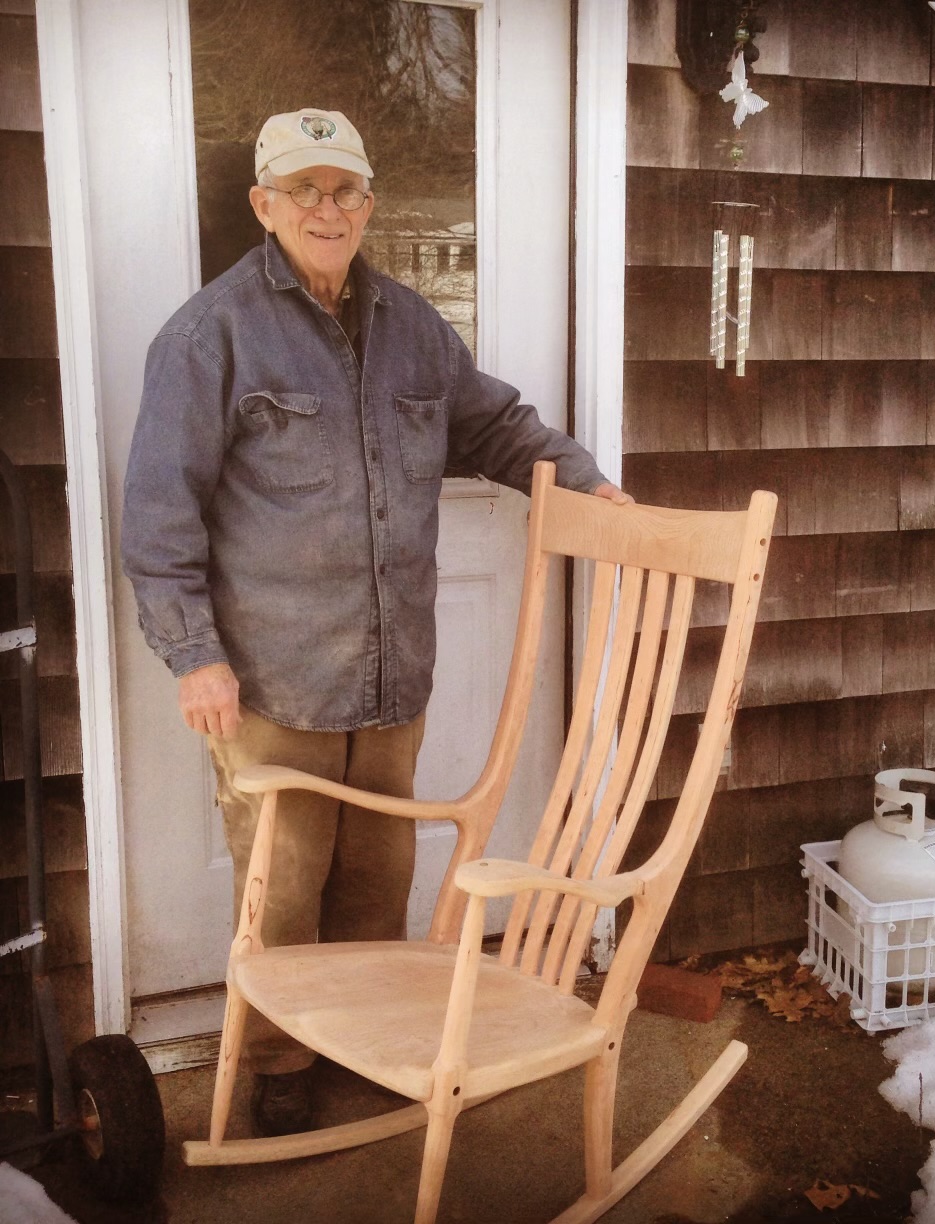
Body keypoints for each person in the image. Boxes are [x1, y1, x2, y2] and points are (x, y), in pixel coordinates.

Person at [122, 108, 627, 1136]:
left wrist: (582, 481)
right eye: (304, 189)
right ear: (264, 204)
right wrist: (193, 656)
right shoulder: (208, 332)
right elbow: (159, 505)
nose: (328, 208)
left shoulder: (410, 323)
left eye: (346, 189)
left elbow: (490, 421)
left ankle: (363, 1039)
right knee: (283, 884)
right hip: (273, 677)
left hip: (394, 670)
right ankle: (277, 1065)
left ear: (369, 205)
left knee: (375, 876)